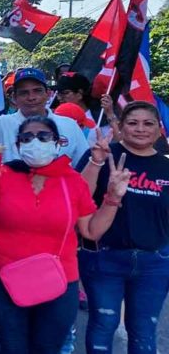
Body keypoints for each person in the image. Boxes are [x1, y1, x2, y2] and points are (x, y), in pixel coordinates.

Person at [0, 116, 129, 354]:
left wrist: (113, 197)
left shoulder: (72, 181)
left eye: (43, 136)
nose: (35, 142)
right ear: (18, 146)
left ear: (57, 143)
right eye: (27, 138)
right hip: (3, 282)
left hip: (58, 284)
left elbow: (91, 230)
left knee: (47, 349)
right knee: (12, 349)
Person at [77, 101, 169, 354]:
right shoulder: (103, 153)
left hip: (155, 262)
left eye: (148, 123)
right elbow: (77, 197)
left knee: (143, 329)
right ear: (121, 126)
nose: (140, 129)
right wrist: (96, 163)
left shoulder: (165, 166)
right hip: (105, 258)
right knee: (103, 323)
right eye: (132, 122)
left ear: (159, 129)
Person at [0, 49, 89, 165]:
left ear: (48, 94)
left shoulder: (70, 125)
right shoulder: (3, 124)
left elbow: (83, 166)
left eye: (37, 91)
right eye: (24, 93)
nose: (31, 97)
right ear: (14, 98)